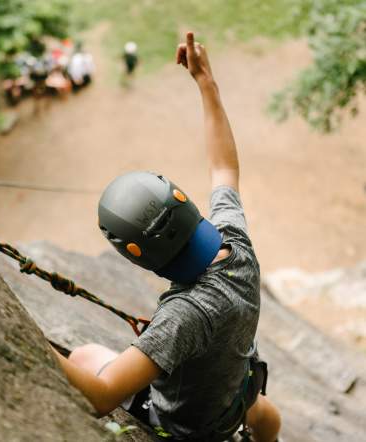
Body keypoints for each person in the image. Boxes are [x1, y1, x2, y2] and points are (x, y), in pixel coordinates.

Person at [51, 32, 281, 442]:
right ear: (184, 203)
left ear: (138, 255)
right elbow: (224, 168)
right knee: (269, 417)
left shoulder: (183, 317)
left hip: (188, 426)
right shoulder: (235, 240)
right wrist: (206, 81)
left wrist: (26, 338)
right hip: (239, 396)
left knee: (86, 355)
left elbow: (103, 396)